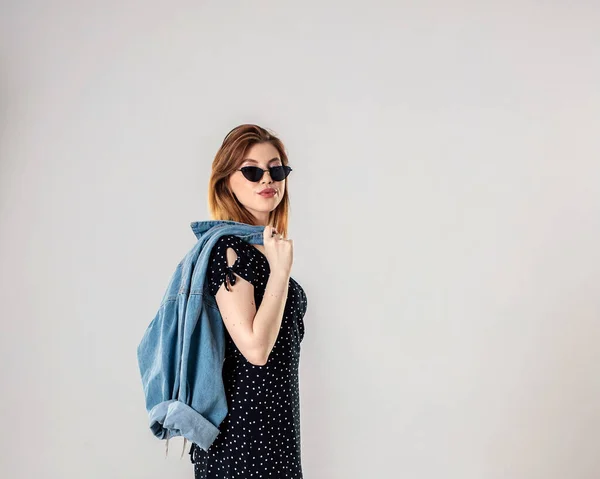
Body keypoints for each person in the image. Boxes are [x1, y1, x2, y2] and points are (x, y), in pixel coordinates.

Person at [188, 124, 307, 479]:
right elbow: (255, 349)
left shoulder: (263, 252)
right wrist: (281, 271)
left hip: (277, 434)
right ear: (226, 181)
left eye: (276, 169)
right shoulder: (229, 251)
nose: (266, 178)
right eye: (252, 171)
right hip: (243, 440)